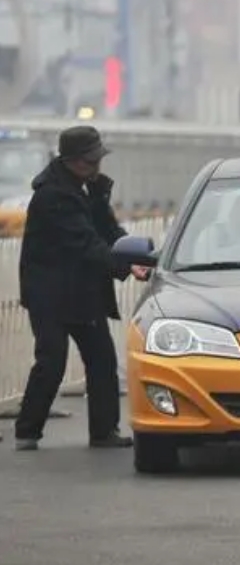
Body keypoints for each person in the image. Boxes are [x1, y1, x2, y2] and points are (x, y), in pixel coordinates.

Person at [13, 126, 150, 451]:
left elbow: (108, 230)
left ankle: (103, 433)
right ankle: (27, 431)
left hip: (81, 291)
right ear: (71, 161)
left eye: (97, 160)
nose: (96, 167)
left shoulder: (87, 189)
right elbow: (85, 243)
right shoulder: (53, 196)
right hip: (50, 293)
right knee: (52, 361)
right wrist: (124, 265)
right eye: (90, 162)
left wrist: (135, 253)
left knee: (101, 360)